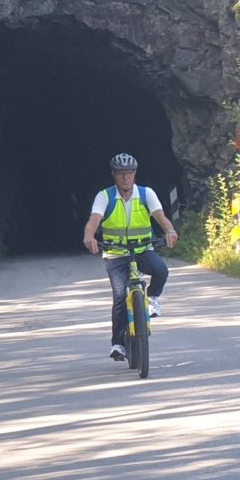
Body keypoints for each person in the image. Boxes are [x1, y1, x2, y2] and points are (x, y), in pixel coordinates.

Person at [82, 152, 178, 361]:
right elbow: (94, 220)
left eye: (130, 173)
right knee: (119, 295)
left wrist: (170, 231)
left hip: (142, 249)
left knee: (161, 270)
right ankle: (118, 344)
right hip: (116, 253)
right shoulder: (105, 196)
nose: (126, 177)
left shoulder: (145, 194)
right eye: (121, 173)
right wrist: (89, 236)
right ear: (114, 175)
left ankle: (152, 299)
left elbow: (160, 217)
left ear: (135, 174)